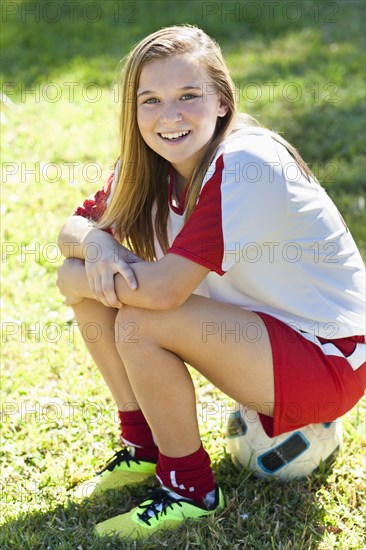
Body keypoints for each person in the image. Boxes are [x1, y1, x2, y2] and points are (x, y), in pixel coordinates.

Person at [56, 24, 365, 540]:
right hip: (263, 335)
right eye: (150, 100)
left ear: (222, 101)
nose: (168, 116)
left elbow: (163, 293)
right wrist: (94, 246)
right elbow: (73, 229)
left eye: (188, 96)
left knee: (138, 318)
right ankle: (143, 447)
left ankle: (189, 489)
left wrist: (81, 272)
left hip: (329, 356)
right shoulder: (152, 163)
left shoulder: (247, 165)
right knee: (95, 287)